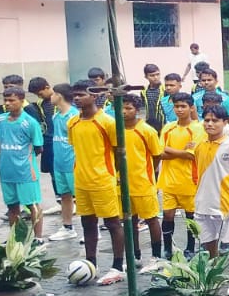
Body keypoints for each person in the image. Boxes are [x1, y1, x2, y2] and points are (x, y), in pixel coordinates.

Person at [67, 81, 128, 285]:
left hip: (103, 180)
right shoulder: (72, 122)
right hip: (81, 180)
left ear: (94, 96)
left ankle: (118, 266)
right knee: (87, 222)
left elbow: (119, 151)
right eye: (74, 95)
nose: (76, 98)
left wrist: (115, 175)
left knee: (112, 222)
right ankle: (91, 263)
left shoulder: (107, 122)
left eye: (81, 94)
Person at [193, 104, 229, 294]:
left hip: (227, 203)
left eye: (215, 120)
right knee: (209, 240)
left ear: (225, 122)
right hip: (203, 202)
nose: (210, 124)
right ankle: (214, 274)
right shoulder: (200, 145)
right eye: (207, 120)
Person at [0, 87, 44, 239]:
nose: (7, 103)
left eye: (11, 100)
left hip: (26, 172)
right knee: (12, 207)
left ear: (21, 101)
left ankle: (38, 238)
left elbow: (38, 148)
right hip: (6, 172)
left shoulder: (30, 122)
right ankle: (16, 239)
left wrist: (22, 158)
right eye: (5, 100)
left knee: (32, 205)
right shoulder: (0, 120)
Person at [118, 95, 166, 273]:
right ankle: (135, 256)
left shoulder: (147, 131)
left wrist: (149, 174)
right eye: (122, 107)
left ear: (137, 110)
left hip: (143, 183)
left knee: (151, 219)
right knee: (129, 221)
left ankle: (156, 257)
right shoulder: (116, 129)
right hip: (123, 185)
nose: (124, 111)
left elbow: (157, 155)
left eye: (128, 108)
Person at [47, 85, 79, 242]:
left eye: (53, 94)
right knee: (64, 196)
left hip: (72, 163)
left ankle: (92, 229)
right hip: (59, 163)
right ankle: (67, 227)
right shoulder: (56, 116)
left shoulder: (74, 116)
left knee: (81, 198)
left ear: (59, 95)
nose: (50, 97)